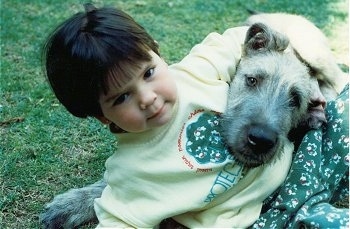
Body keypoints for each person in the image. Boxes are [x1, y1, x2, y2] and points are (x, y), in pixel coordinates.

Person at [42, 3, 348, 228]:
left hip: (295, 170)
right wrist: (98, 195)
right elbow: (130, 188)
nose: (147, 99)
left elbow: (237, 40)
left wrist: (312, 87)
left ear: (160, 56)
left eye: (149, 73)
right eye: (122, 97)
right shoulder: (133, 161)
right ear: (102, 116)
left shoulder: (196, 74)